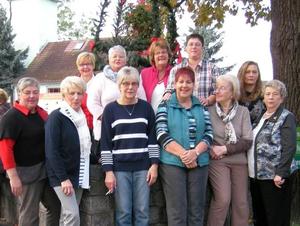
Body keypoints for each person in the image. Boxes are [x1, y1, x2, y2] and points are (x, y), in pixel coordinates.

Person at [101, 66, 159, 226]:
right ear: (119, 85)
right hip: (120, 170)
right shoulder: (110, 110)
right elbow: (105, 143)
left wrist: (154, 165)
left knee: (142, 213)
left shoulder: (146, 108)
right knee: (123, 213)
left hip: (143, 168)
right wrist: (108, 172)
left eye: (134, 83)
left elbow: (152, 139)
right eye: (126, 83)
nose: (130, 87)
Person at [155, 67, 213, 226]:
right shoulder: (165, 104)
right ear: (175, 83)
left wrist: (195, 153)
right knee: (176, 212)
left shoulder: (201, 106)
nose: (184, 85)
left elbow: (209, 133)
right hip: (172, 163)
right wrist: (184, 154)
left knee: (197, 210)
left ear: (194, 85)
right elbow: (161, 133)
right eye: (181, 82)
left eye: (188, 82)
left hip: (199, 163)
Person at [0, 77, 60, 226]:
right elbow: (5, 150)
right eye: (27, 92)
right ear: (19, 94)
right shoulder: (11, 118)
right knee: (30, 214)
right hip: (25, 174)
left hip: (45, 170)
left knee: (55, 206)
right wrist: (13, 177)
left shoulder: (41, 113)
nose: (32, 96)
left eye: (35, 92)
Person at [248, 80, 297, 226]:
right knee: (260, 217)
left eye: (275, 94)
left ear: (281, 98)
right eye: (268, 94)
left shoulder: (286, 117)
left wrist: (280, 173)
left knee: (276, 218)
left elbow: (289, 147)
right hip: (256, 176)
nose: (270, 97)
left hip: (275, 178)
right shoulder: (261, 117)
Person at [207, 74, 253, 226]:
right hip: (218, 161)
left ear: (232, 93)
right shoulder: (209, 111)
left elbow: (247, 140)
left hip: (239, 161)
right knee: (223, 199)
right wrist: (212, 148)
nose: (217, 91)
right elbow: (202, 135)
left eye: (222, 88)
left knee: (241, 202)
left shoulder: (243, 112)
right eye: (216, 88)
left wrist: (225, 149)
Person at [45, 76, 91, 226]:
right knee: (72, 215)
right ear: (64, 95)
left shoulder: (81, 117)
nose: (76, 97)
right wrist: (63, 179)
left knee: (67, 215)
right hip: (61, 176)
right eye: (72, 93)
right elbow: (52, 151)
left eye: (79, 93)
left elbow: (83, 146)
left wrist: (99, 159)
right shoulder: (56, 117)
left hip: (78, 173)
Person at [87, 45, 146, 157]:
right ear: (109, 59)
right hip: (105, 128)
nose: (118, 59)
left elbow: (142, 99)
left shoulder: (134, 76)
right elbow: (92, 103)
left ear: (126, 59)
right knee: (107, 168)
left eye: (121, 56)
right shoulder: (99, 79)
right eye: (114, 56)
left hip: (129, 130)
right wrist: (107, 118)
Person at [164, 33, 219, 106]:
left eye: (197, 44)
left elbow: (217, 92)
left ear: (202, 48)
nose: (194, 47)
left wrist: (208, 100)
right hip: (181, 113)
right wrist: (167, 95)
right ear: (186, 48)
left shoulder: (212, 68)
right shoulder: (176, 69)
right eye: (191, 44)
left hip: (205, 113)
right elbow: (169, 90)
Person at [140, 38, 172, 112]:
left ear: (168, 55)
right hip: (149, 118)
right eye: (157, 53)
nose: (161, 55)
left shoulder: (175, 72)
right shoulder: (144, 74)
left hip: (169, 119)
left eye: (164, 52)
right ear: (153, 57)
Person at [76, 51, 97, 163]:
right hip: (79, 128)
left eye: (88, 64)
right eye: (82, 64)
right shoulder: (74, 83)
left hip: (97, 128)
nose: (85, 67)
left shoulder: (99, 82)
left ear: (93, 65)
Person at [237, 61, 265, 125]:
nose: (251, 75)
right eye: (247, 72)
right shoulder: (234, 94)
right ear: (242, 74)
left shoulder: (264, 96)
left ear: (258, 75)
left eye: (254, 72)